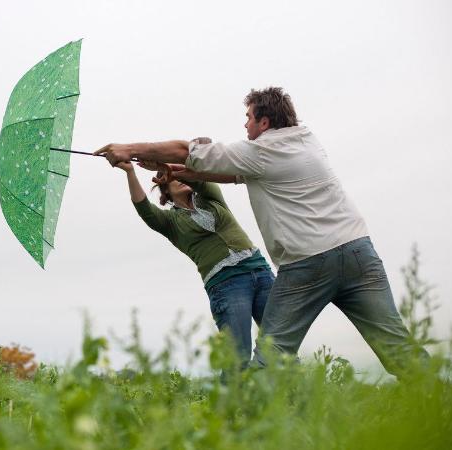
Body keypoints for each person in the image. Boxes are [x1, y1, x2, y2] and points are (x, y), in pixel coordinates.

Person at [95, 87, 427, 377]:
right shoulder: (307, 140)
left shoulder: (259, 153)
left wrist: (127, 148)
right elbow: (230, 174)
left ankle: (249, 430)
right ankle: (438, 405)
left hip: (308, 265)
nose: (245, 124)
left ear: (264, 123)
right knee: (397, 346)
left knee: (271, 358)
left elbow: (188, 150)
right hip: (358, 252)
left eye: (249, 118)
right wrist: (166, 169)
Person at [111, 158, 275, 367]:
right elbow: (144, 209)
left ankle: (288, 394)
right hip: (227, 284)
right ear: (166, 192)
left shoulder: (210, 198)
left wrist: (173, 170)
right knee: (237, 357)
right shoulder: (170, 222)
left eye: (182, 177)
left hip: (259, 270)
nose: (180, 180)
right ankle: (235, 398)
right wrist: (130, 172)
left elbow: (203, 181)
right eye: (173, 180)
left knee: (280, 342)